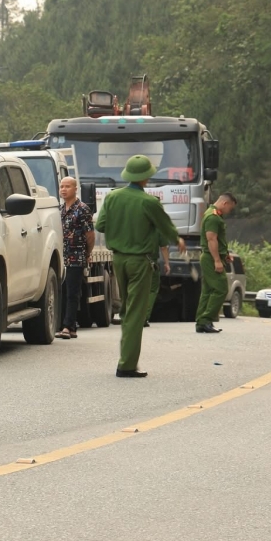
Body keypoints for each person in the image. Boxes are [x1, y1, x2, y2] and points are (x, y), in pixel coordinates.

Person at [94, 155, 185, 378]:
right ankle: (126, 365)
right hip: (140, 261)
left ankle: (126, 355)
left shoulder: (113, 197)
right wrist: (177, 239)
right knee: (135, 313)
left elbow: (101, 224)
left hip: (118, 260)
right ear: (146, 177)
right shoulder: (149, 202)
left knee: (126, 309)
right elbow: (165, 226)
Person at [56, 176, 94, 339]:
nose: (64, 189)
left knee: (73, 292)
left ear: (75, 189)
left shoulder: (83, 209)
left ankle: (68, 326)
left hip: (76, 256)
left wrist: (87, 253)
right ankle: (66, 325)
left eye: (67, 186)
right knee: (62, 291)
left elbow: (90, 235)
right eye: (62, 187)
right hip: (61, 257)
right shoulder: (60, 209)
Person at [195, 193, 238, 334]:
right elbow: (211, 239)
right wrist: (217, 260)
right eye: (230, 208)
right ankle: (206, 319)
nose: (229, 211)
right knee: (221, 289)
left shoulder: (212, 213)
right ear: (225, 203)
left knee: (208, 291)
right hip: (210, 258)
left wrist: (224, 255)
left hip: (210, 256)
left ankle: (201, 322)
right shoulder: (213, 217)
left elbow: (217, 241)